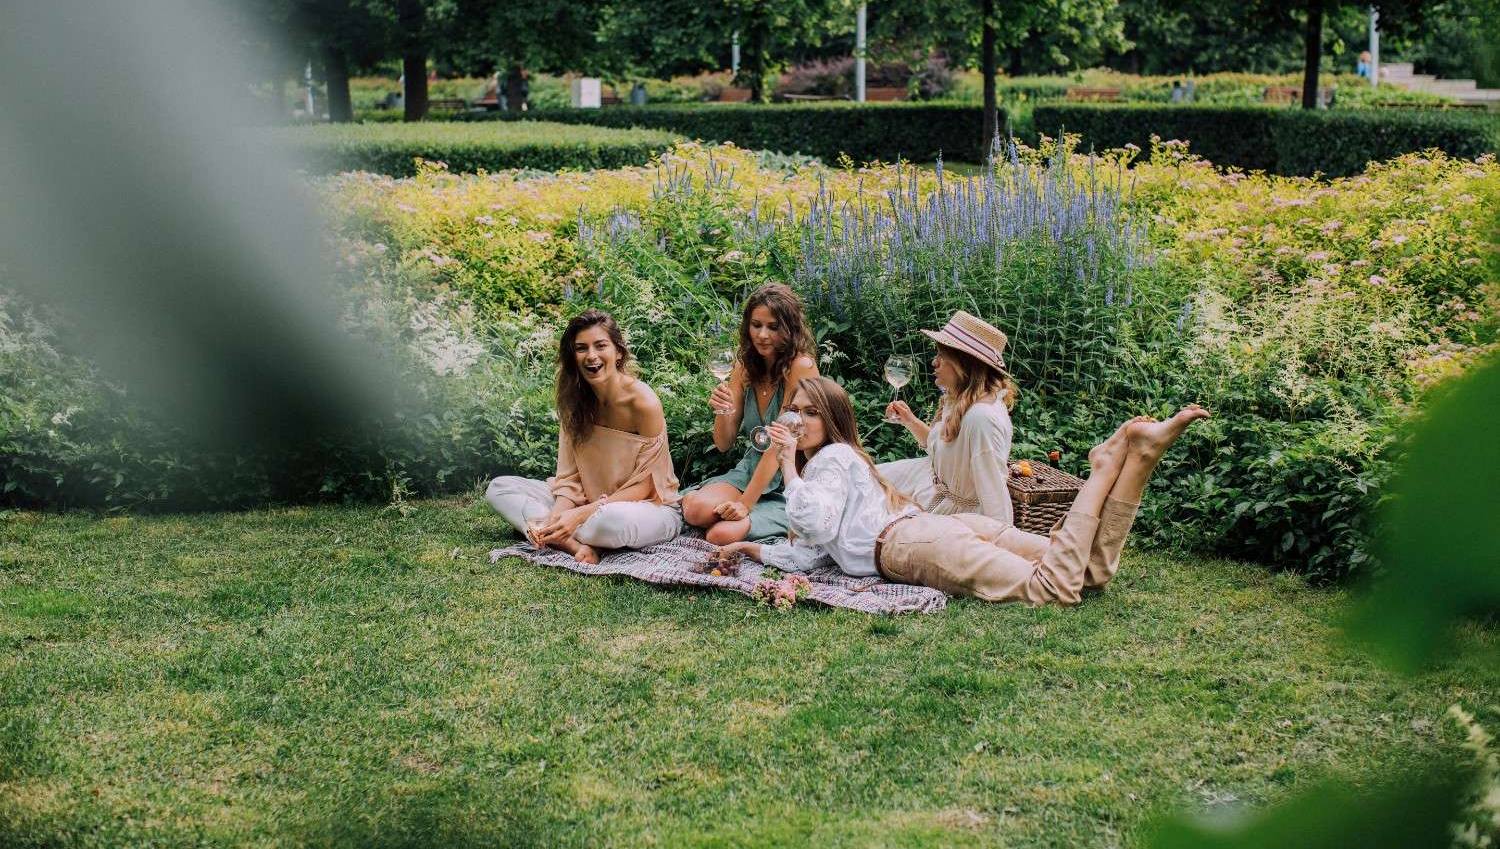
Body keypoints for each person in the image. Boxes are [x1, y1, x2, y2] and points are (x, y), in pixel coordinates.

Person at [718, 377, 1209, 605]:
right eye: (795, 410)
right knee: (1089, 572)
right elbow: (814, 551)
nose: (798, 420)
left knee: (1053, 587)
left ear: (832, 421)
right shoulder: (839, 463)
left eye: (811, 412)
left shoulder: (829, 460)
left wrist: (787, 463)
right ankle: (1139, 459)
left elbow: (814, 521)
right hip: (941, 528)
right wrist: (754, 550)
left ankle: (1103, 468)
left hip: (913, 546)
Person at [485, 310, 682, 565]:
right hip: (587, 500)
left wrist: (579, 515)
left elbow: (646, 486)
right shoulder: (573, 400)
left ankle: (551, 532)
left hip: (645, 507)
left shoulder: (642, 402)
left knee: (611, 522)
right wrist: (559, 515)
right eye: (581, 348)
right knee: (499, 488)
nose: (591, 356)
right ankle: (568, 541)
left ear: (618, 351)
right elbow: (569, 478)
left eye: (600, 346)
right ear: (573, 356)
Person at [681, 283, 819, 546]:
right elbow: (723, 444)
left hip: (791, 476)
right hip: (751, 469)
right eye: (756, 325)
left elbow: (779, 444)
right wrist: (722, 411)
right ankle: (710, 504)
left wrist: (745, 504)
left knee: (719, 535)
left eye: (773, 327)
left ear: (790, 329)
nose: (763, 335)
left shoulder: (801, 366)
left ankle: (765, 513)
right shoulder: (744, 367)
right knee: (696, 511)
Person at [879, 311, 1018, 526]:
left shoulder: (981, 419)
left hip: (956, 518)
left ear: (963, 364)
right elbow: (946, 451)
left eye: (941, 356)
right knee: (865, 478)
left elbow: (995, 500)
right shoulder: (962, 400)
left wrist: (1000, 541)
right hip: (934, 489)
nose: (934, 362)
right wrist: (910, 420)